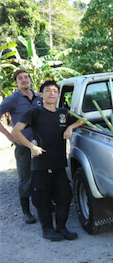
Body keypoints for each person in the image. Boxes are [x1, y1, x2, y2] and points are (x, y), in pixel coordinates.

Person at [12, 80, 84, 241]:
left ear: (58, 95)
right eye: (48, 91)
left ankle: (61, 227)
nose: (52, 93)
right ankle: (47, 230)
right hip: (40, 164)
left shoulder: (63, 113)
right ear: (41, 94)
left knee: (64, 197)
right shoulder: (34, 113)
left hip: (59, 164)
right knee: (42, 198)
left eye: (54, 91)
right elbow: (16, 131)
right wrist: (31, 146)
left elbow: (82, 120)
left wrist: (70, 127)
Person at [0, 69, 43, 224]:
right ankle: (26, 212)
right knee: (25, 177)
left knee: (43, 174)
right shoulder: (12, 99)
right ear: (16, 82)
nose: (24, 80)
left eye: (26, 77)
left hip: (41, 144)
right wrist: (9, 136)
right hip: (24, 145)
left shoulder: (40, 96)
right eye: (20, 78)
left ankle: (44, 205)